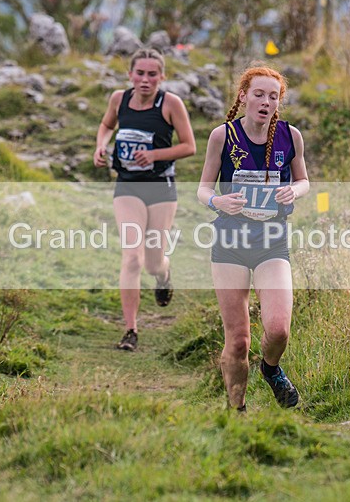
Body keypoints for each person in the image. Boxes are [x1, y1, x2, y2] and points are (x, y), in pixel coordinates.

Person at [197, 65, 309, 411]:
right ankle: (237, 411)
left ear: (279, 102)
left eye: (273, 97)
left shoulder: (291, 137)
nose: (265, 102)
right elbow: (202, 188)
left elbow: (304, 180)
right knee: (239, 341)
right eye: (258, 94)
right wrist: (218, 200)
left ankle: (271, 369)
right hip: (231, 243)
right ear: (243, 95)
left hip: (271, 241)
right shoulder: (223, 136)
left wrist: (294, 191)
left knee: (278, 330)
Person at [94, 47, 196, 352]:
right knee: (132, 257)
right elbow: (106, 126)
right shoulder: (119, 99)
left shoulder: (171, 104)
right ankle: (130, 330)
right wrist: (100, 146)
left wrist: (153, 155)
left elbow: (189, 146)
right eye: (140, 73)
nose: (145, 79)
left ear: (162, 77)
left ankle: (164, 273)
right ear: (130, 75)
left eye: (153, 74)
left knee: (152, 262)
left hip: (160, 188)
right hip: (127, 186)